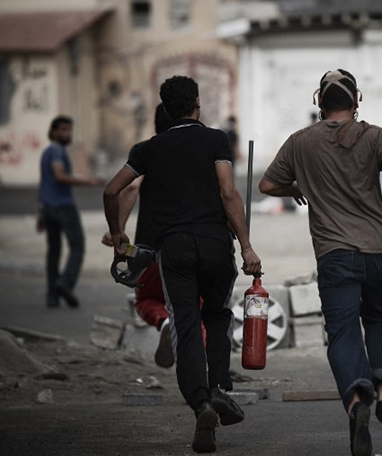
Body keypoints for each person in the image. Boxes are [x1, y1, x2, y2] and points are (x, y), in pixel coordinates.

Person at [259, 69, 382, 456]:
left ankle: (356, 405)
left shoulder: (300, 142)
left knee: (343, 331)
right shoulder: (376, 135)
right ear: (356, 100)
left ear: (319, 101)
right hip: (380, 252)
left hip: (334, 254)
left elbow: (267, 185)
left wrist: (298, 187)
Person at [104, 75, 261, 454]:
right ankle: (219, 386)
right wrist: (246, 246)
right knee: (218, 316)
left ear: (165, 108)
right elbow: (228, 192)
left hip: (172, 249)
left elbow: (112, 189)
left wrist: (118, 236)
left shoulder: (147, 149)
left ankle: (202, 404)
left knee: (186, 326)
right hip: (214, 243)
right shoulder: (215, 140)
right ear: (196, 104)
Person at [101, 103, 182, 368]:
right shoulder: (200, 148)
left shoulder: (147, 151)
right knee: (195, 306)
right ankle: (202, 367)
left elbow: (131, 187)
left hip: (153, 247)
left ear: (156, 124)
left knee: (147, 299)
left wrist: (117, 231)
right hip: (195, 244)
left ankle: (165, 321)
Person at [37, 116, 104, 308]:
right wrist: (88, 182)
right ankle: (64, 284)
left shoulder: (47, 152)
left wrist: (41, 210)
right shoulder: (57, 151)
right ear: (54, 131)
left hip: (49, 208)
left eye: (69, 130)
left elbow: (43, 183)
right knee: (78, 246)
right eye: (64, 130)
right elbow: (59, 176)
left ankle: (52, 296)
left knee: (54, 251)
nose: (68, 134)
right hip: (63, 206)